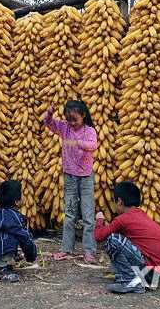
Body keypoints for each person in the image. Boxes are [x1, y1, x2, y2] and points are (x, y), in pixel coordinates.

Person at [95, 181, 160, 294]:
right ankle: (134, 278)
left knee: (113, 240)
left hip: (154, 274)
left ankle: (130, 283)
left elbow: (99, 236)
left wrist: (99, 220)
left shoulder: (123, 219)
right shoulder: (141, 215)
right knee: (119, 239)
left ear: (119, 201)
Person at [43, 100, 98, 263]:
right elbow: (48, 123)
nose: (71, 123)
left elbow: (93, 145)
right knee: (70, 214)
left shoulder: (89, 130)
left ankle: (89, 251)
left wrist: (77, 143)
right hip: (70, 177)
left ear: (83, 116)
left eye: (75, 119)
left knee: (88, 216)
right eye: (68, 119)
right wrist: (50, 112)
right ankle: (66, 249)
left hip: (86, 177)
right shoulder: (64, 128)